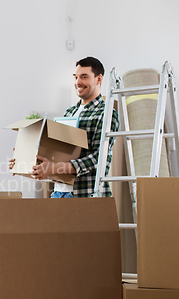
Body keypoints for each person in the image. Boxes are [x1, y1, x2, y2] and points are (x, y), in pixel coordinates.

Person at [9, 57, 119, 198]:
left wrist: (54, 168)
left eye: (84, 77)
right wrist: (26, 159)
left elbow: (99, 159)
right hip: (58, 192)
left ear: (98, 79)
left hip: (86, 195)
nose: (78, 82)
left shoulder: (106, 113)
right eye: (76, 77)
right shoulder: (70, 112)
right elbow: (60, 153)